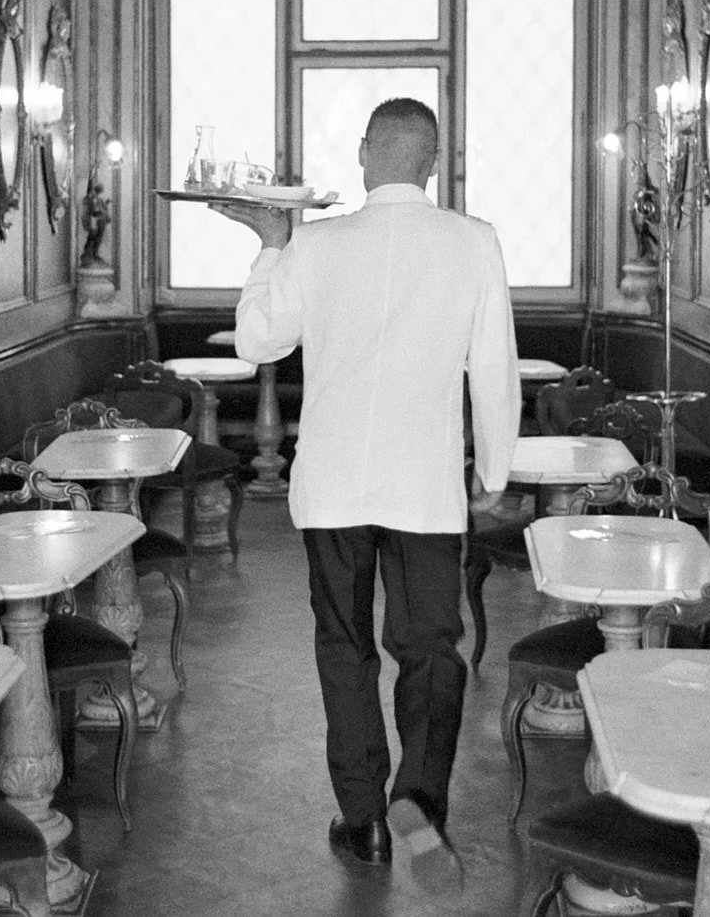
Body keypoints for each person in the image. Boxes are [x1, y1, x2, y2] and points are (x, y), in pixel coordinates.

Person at [211, 98, 519, 891]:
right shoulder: (474, 242)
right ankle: (418, 794)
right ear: (435, 160)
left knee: (343, 649)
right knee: (429, 649)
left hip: (335, 486)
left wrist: (271, 249)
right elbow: (495, 369)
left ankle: (366, 822)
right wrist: (492, 472)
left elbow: (256, 342)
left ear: (363, 153)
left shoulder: (316, 244)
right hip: (423, 488)